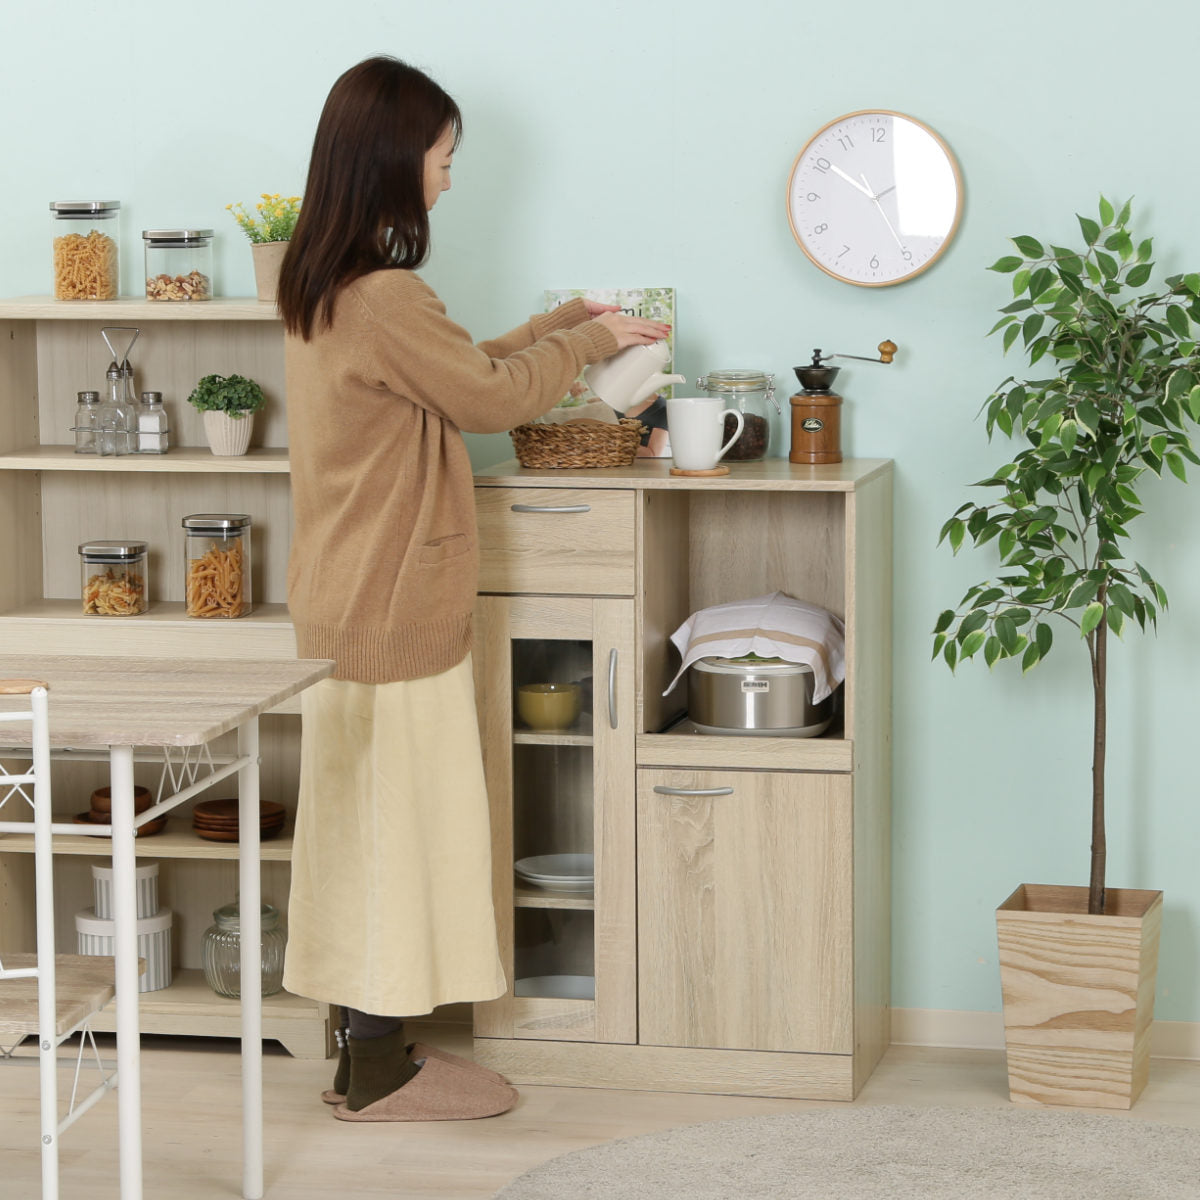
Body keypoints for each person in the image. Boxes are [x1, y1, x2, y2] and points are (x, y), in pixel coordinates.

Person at [276, 54, 670, 1124]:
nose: (449, 179)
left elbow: (456, 370)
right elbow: (488, 402)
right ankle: (377, 1070)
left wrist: (560, 327)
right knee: (399, 836)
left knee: (364, 830)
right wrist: (591, 340)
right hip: (393, 602)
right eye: (443, 158)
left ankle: (367, 1056)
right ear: (395, 160)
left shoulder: (329, 287)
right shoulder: (385, 295)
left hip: (345, 598)